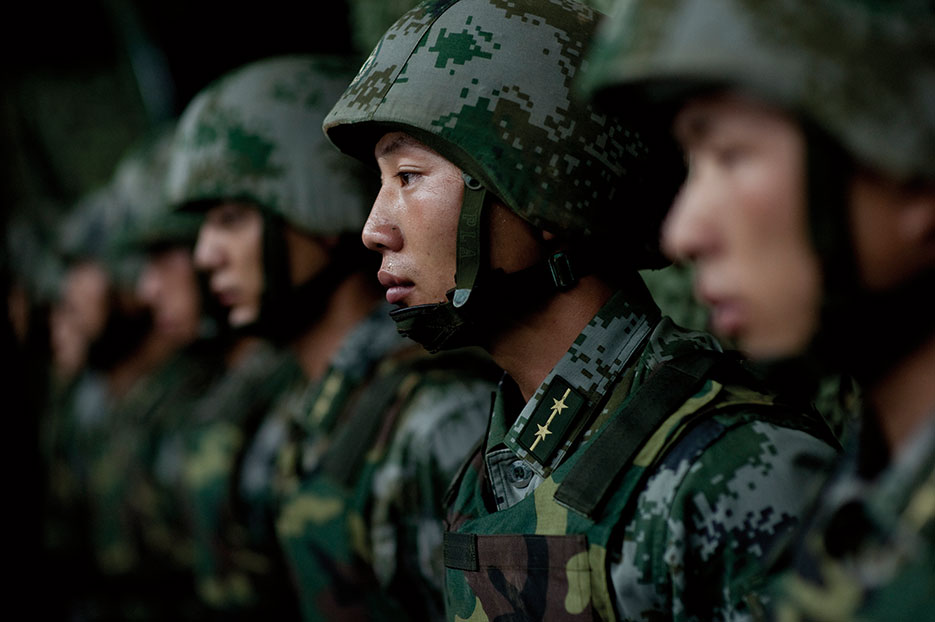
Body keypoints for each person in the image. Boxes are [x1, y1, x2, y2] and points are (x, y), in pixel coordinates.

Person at [323, 1, 839, 620]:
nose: (374, 229)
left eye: (408, 175)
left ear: (543, 192)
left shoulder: (733, 466)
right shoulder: (486, 475)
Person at [582, 1, 935, 619]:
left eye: (731, 155)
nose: (682, 234)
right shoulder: (871, 489)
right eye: (693, 165)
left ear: (915, 177)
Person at [165, 55, 498, 620]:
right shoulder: (300, 408)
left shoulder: (433, 419)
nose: (205, 255)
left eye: (231, 218)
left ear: (320, 209)